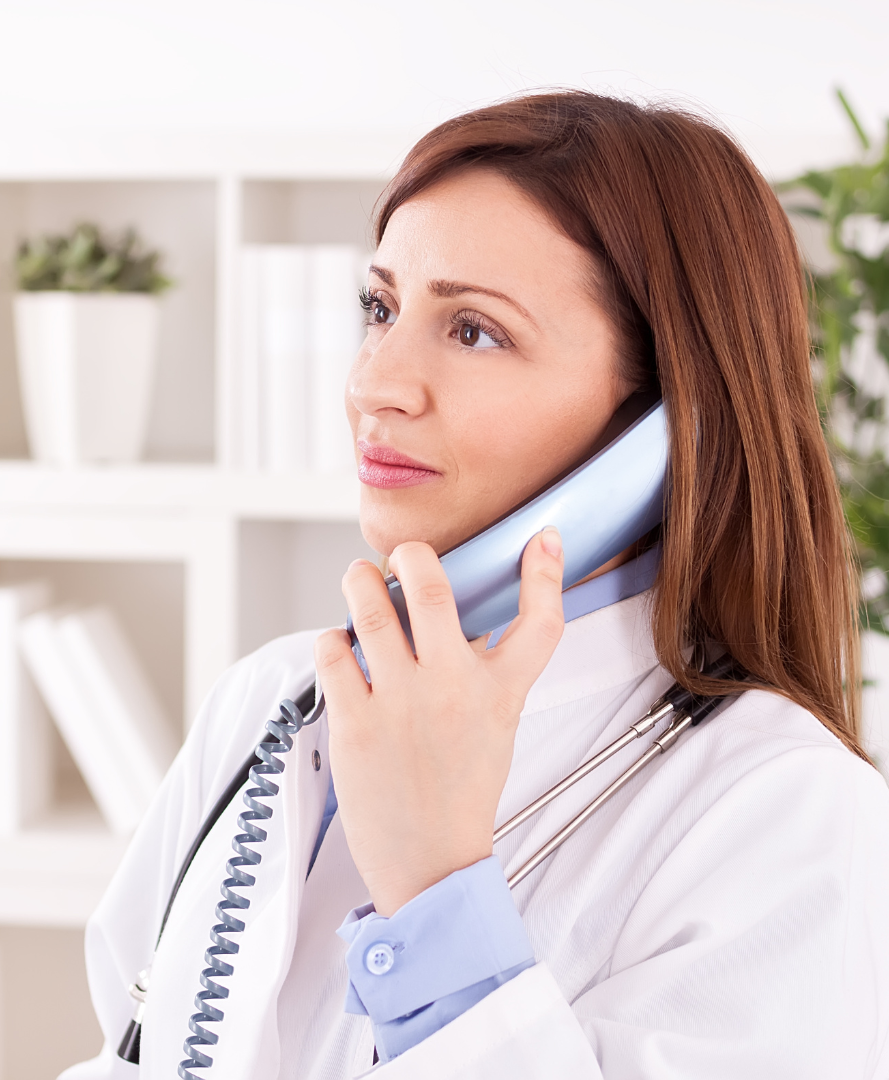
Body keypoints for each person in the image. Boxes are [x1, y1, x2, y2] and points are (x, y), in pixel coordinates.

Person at [62, 92, 889, 1080]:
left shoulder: (789, 815)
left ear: (664, 426)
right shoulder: (273, 700)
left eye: (473, 332)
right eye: (382, 308)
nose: (376, 383)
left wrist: (438, 884)